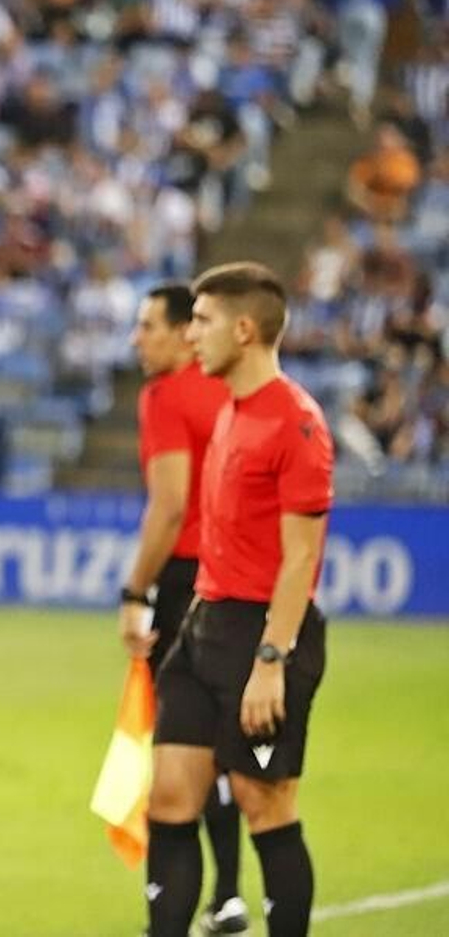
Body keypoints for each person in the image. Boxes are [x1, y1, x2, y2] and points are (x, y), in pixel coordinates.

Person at [146, 262, 335, 937]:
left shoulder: (297, 424)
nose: (190, 335)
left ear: (245, 329)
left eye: (202, 321)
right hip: (203, 631)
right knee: (169, 794)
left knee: (263, 801)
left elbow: (302, 557)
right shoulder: (231, 410)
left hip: (262, 640)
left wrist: (270, 660)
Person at [120, 283, 244, 934]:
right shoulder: (229, 387)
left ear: (180, 331)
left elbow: (169, 508)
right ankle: (228, 891)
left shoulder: (166, 395)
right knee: (224, 743)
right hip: (235, 580)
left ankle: (173, 913)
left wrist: (135, 591)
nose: (137, 338)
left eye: (148, 326)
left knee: (180, 746)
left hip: (184, 580)